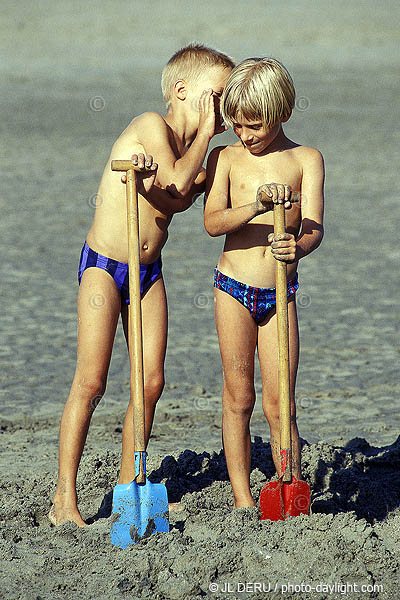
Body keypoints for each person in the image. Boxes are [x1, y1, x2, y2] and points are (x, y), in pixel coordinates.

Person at [49, 44, 234, 527]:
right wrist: (205, 145)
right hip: (105, 267)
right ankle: (62, 500)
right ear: (181, 91)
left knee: (150, 382)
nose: (221, 110)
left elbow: (175, 201)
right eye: (215, 96)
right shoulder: (152, 126)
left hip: (147, 271)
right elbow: (174, 182)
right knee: (92, 382)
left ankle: (131, 485)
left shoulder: (194, 148)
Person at [204, 57, 324, 508]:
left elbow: (314, 226)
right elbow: (213, 222)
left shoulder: (305, 159)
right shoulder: (227, 158)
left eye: (254, 126)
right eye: (237, 125)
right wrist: (253, 207)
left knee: (281, 403)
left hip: (280, 293)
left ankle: (287, 484)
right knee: (239, 396)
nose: (245, 135)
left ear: (282, 115)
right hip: (233, 287)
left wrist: (300, 245)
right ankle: (241, 498)